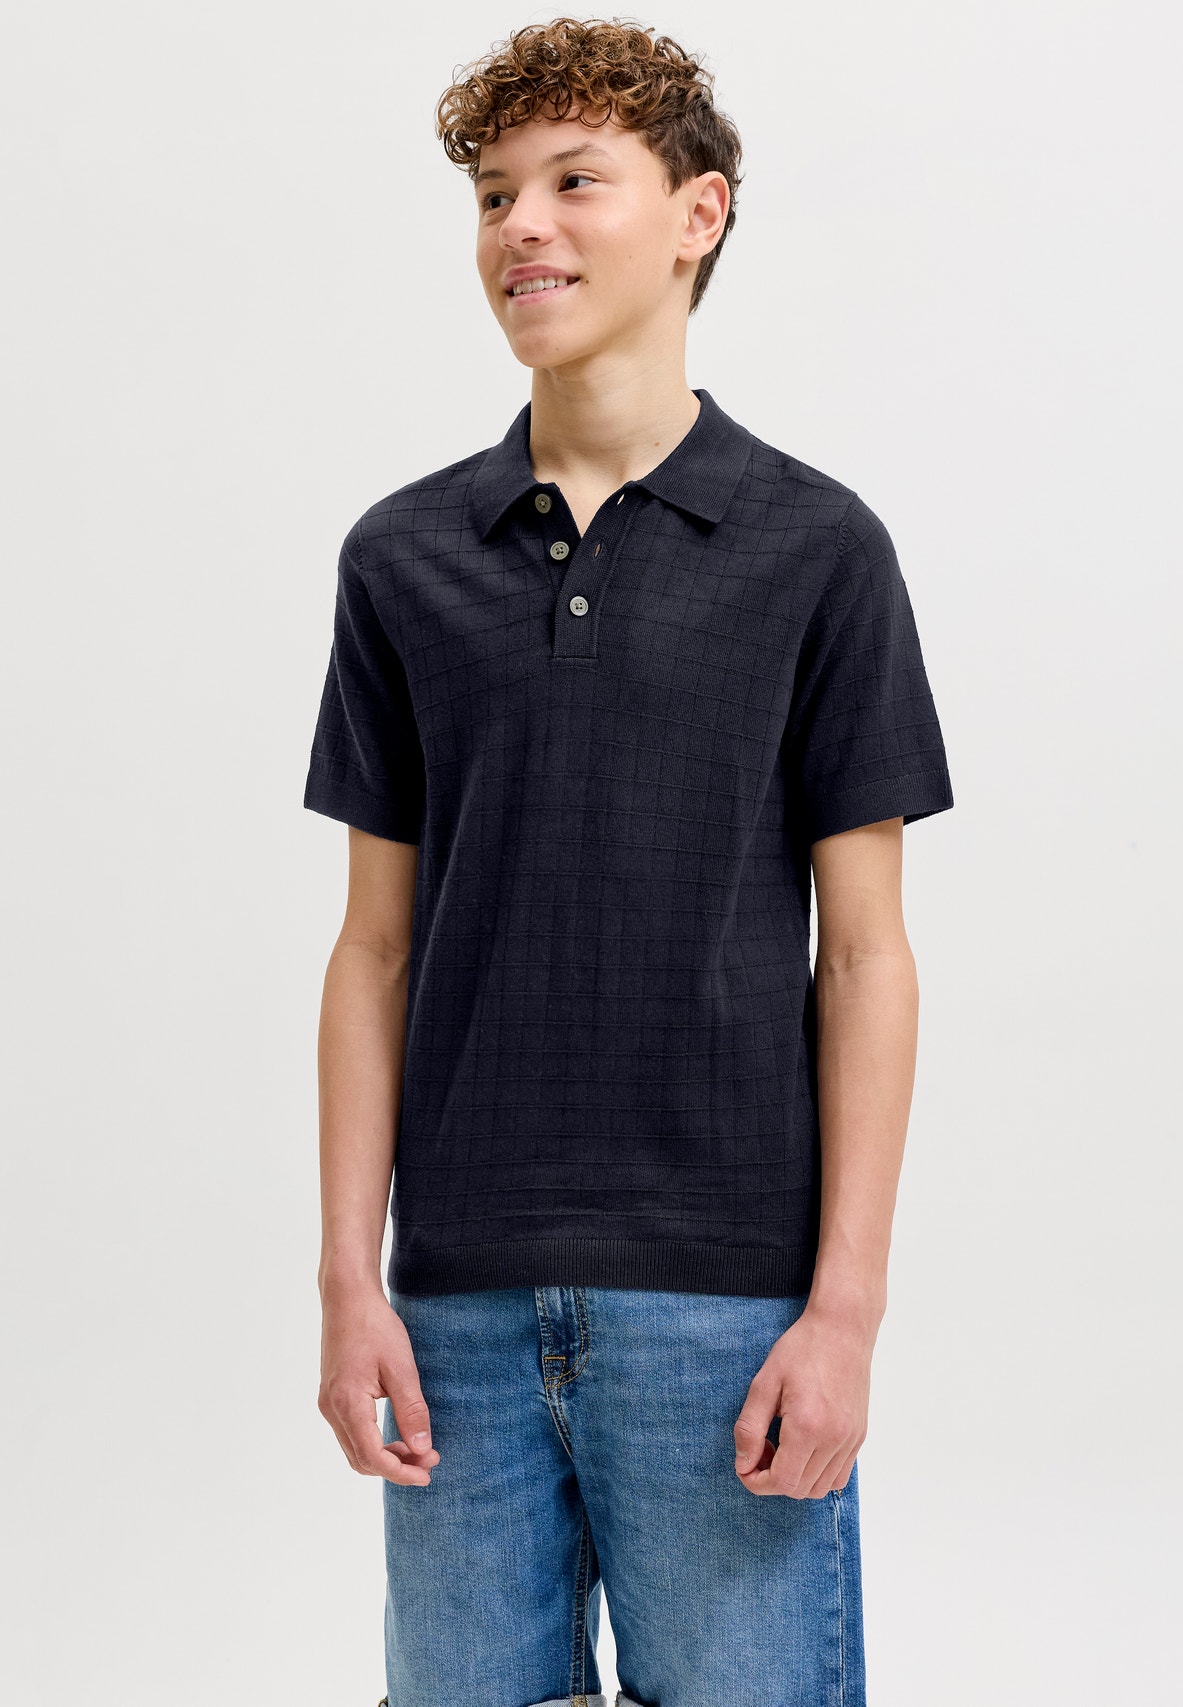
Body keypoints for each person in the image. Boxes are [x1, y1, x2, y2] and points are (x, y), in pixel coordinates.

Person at [303, 17, 954, 1707]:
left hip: (727, 1315)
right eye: (493, 194)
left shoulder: (819, 549)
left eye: (574, 182)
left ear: (697, 214)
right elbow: (373, 949)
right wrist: (349, 1279)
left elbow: (866, 955)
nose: (521, 225)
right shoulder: (401, 558)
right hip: (453, 1317)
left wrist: (845, 1313)